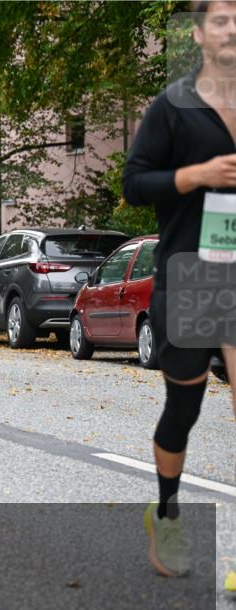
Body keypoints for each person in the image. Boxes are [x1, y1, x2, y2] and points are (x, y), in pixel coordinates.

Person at [122, 0, 236, 579]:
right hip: (193, 272)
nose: (234, 26)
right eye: (221, 18)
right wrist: (196, 176)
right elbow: (134, 182)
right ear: (199, 34)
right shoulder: (173, 105)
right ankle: (165, 514)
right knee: (184, 408)